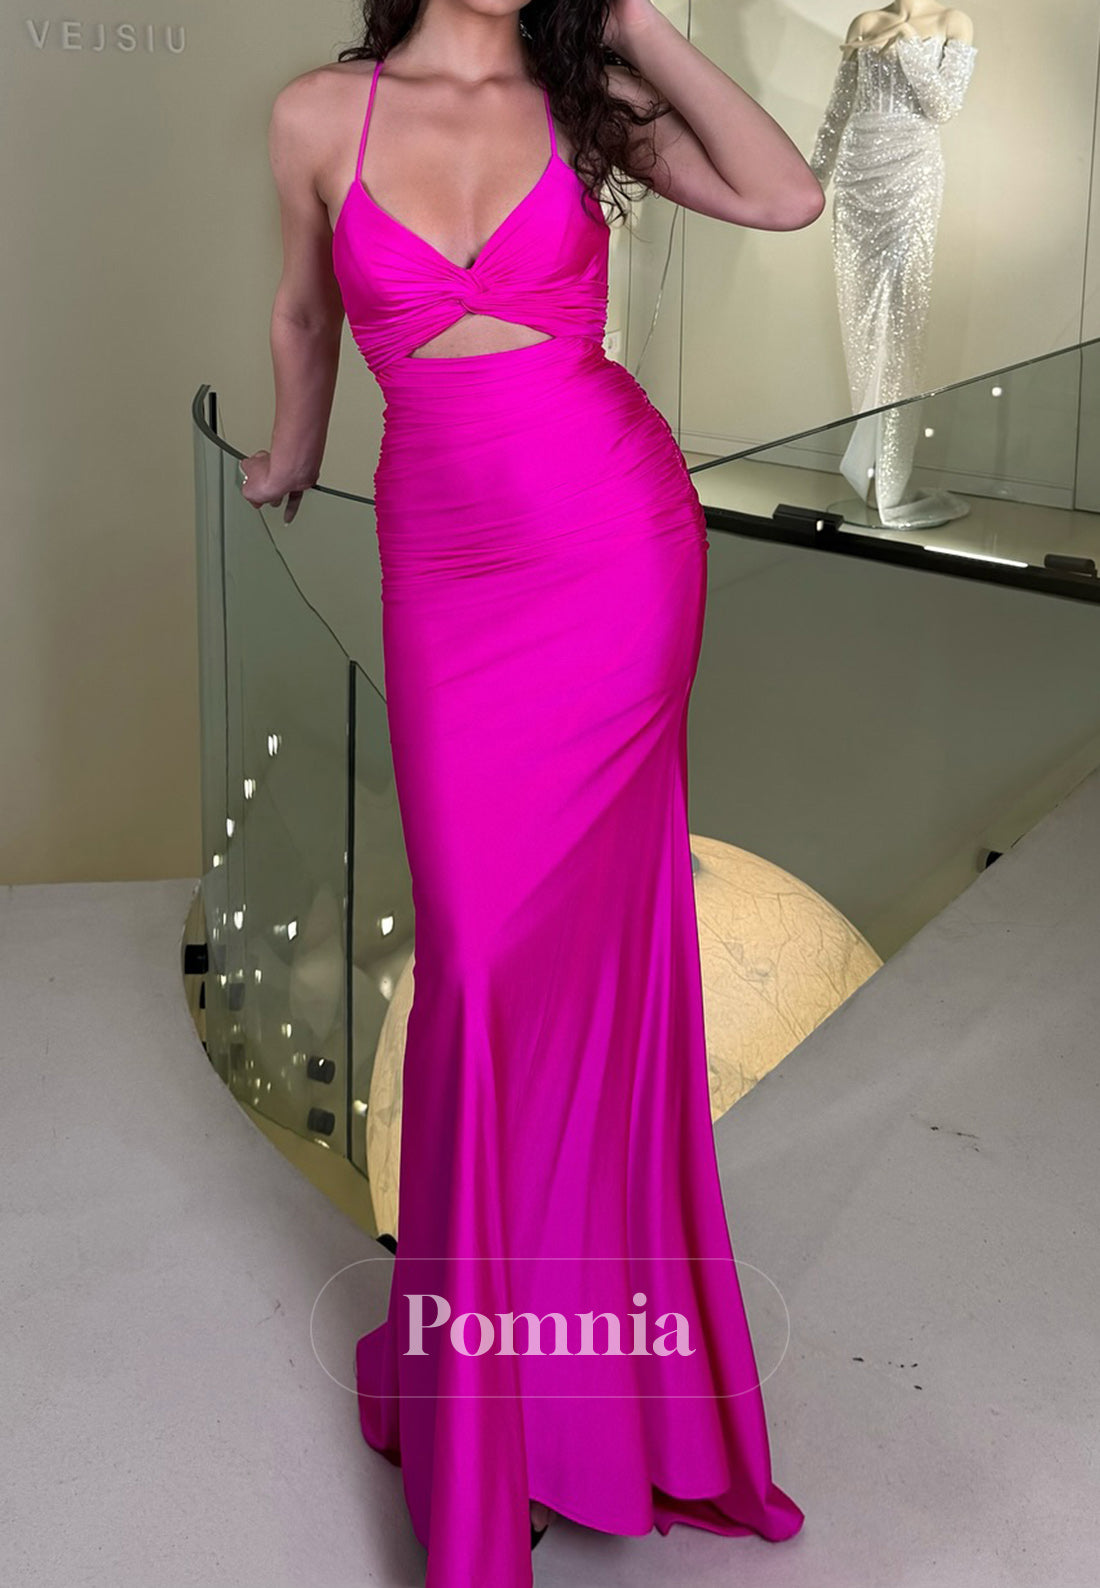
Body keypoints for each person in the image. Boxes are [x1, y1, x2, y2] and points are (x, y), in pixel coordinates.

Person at [241, 2, 822, 1583]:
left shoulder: (585, 93)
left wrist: (638, 24)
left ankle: (572, 1402)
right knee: (483, 972)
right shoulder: (317, 114)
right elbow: (302, 318)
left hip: (615, 547)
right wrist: (290, 453)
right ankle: (498, 1399)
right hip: (448, 569)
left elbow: (785, 196)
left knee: (597, 976)